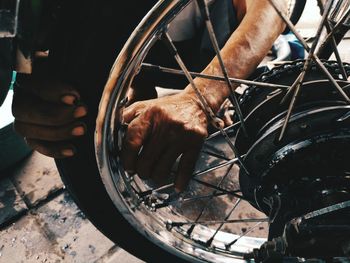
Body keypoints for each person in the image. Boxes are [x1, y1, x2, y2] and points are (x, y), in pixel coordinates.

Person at [10, 0, 288, 192]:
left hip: (209, 44)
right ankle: (137, 87)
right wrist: (32, 68)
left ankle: (223, 91)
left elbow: (272, 9)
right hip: (139, 47)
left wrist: (203, 97)